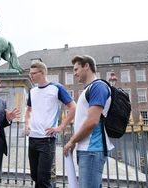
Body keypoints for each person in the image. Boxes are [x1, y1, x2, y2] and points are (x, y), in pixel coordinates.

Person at [63, 55, 114, 188]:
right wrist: (76, 141)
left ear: (87, 66)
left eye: (76, 69)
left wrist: (72, 141)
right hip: (87, 149)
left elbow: (92, 121)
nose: (74, 74)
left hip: (93, 149)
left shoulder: (98, 87)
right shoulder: (89, 89)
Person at [25, 61, 76, 188]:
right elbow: (29, 110)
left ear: (42, 73)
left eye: (33, 73)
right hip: (32, 138)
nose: (30, 76)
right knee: (35, 176)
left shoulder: (56, 88)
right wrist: (26, 125)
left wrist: (61, 127)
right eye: (30, 73)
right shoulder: (32, 91)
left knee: (43, 178)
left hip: (47, 140)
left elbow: (73, 107)